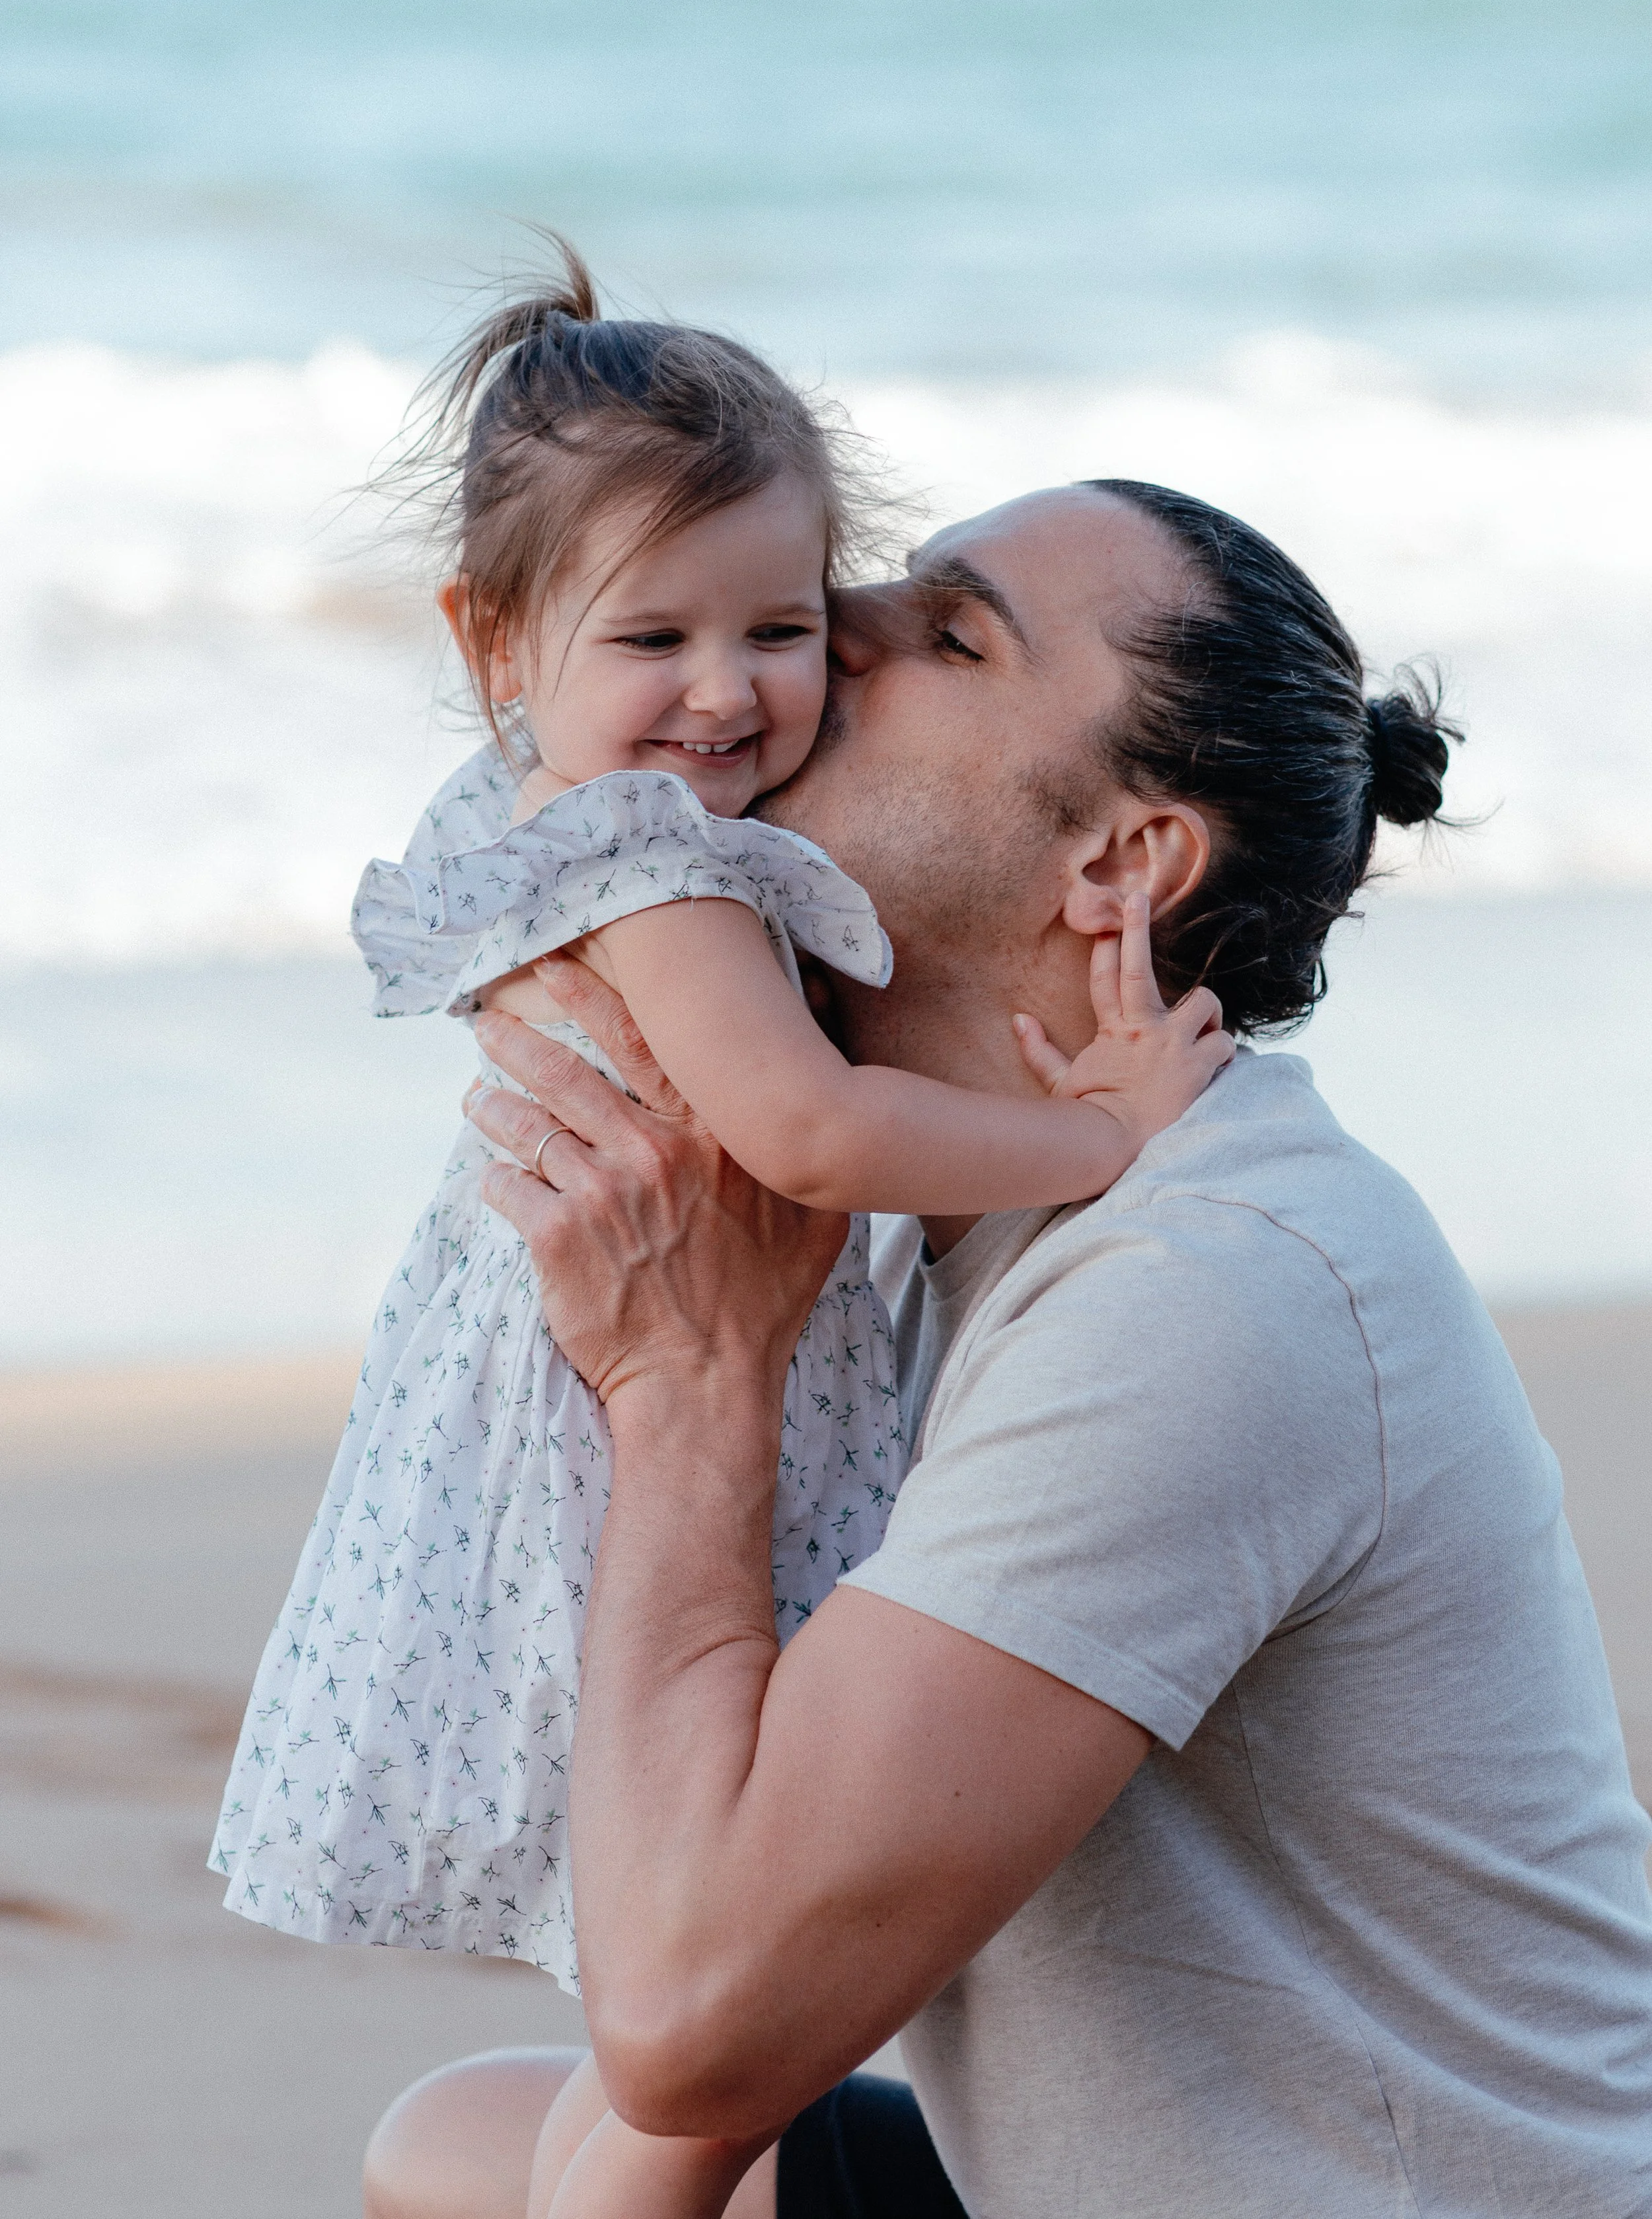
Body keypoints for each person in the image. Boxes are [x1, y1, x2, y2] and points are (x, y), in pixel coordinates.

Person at [365, 477, 1652, 2219]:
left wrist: (687, 1386)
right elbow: (702, 2053)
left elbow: (687, 2018)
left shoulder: (1212, 1284)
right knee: (460, 2149)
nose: (842, 620)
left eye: (950, 632)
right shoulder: (925, 1220)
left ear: (1121, 862)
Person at [210, 253, 1230, 2219]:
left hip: (602, 1398)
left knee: (653, 2007)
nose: (724, 691)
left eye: (780, 628)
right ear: (491, 637)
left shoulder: (556, 799)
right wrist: (1090, 1133)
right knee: (698, 1986)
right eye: (652, 633)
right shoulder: (652, 859)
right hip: (621, 1438)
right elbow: (800, 1123)